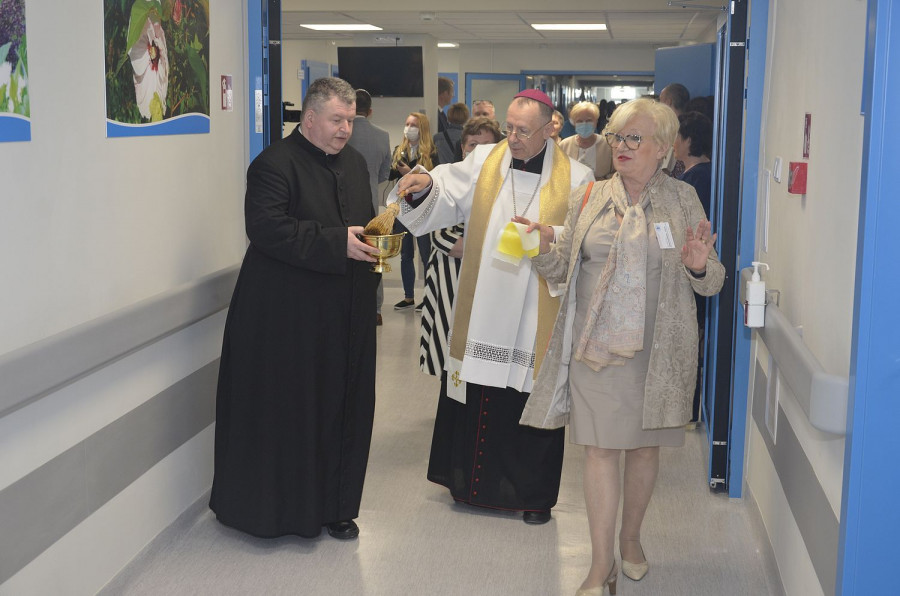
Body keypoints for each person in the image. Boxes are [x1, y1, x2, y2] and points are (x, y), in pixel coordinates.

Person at [515, 97, 725, 595]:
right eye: (617, 136)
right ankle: (599, 562)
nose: (622, 146)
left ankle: (631, 539)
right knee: (600, 450)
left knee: (645, 449)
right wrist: (541, 248)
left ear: (663, 148)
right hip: (596, 349)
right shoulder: (589, 195)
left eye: (635, 138)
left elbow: (712, 280)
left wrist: (699, 265)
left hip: (657, 353)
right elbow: (561, 268)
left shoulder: (682, 199)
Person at [392, 89, 594, 525]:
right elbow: (446, 190)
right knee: (479, 394)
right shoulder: (486, 160)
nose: (513, 138)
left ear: (549, 129)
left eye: (523, 131)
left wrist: (550, 234)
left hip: (534, 309)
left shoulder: (578, 177)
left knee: (527, 397)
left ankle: (533, 496)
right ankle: (468, 487)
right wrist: (425, 185)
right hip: (484, 302)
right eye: (509, 127)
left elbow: (584, 237)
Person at [210, 77, 380, 541]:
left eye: (350, 120)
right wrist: (337, 242)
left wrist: (377, 239)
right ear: (309, 118)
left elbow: (362, 224)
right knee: (289, 413)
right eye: (337, 120)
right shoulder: (273, 164)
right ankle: (277, 513)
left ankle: (336, 507)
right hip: (284, 318)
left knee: (341, 408)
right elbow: (266, 228)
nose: (345, 129)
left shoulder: (355, 163)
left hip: (345, 315)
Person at [420, 117, 503, 376]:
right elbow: (445, 240)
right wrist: (495, 244)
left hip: (492, 283)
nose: (479, 151)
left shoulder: (506, 186)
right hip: (450, 279)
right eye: (473, 144)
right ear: (463, 148)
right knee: (449, 355)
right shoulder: (445, 181)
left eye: (487, 145)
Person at [675, 110, 715, 422]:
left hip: (694, 270)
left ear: (688, 140)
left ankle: (688, 408)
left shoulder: (697, 180)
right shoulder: (697, 174)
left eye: (677, 136)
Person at [346, 88, 392, 325]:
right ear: (370, 111)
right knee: (374, 254)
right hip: (370, 204)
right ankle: (375, 309)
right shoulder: (382, 136)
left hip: (342, 203)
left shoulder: (343, 132)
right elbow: (385, 173)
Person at [389, 112, 439, 311]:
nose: (409, 128)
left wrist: (409, 172)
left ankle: (427, 297)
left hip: (423, 208)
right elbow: (390, 175)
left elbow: (435, 178)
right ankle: (408, 296)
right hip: (403, 208)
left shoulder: (432, 152)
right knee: (406, 254)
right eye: (407, 124)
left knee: (426, 254)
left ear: (422, 128)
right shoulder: (399, 150)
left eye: (413, 125)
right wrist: (397, 168)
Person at [558, 101, 614, 180]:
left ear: (596, 122)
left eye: (589, 120)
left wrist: (601, 179)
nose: (584, 124)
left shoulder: (608, 145)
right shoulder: (564, 145)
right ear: (574, 123)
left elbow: (616, 173)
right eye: (580, 121)